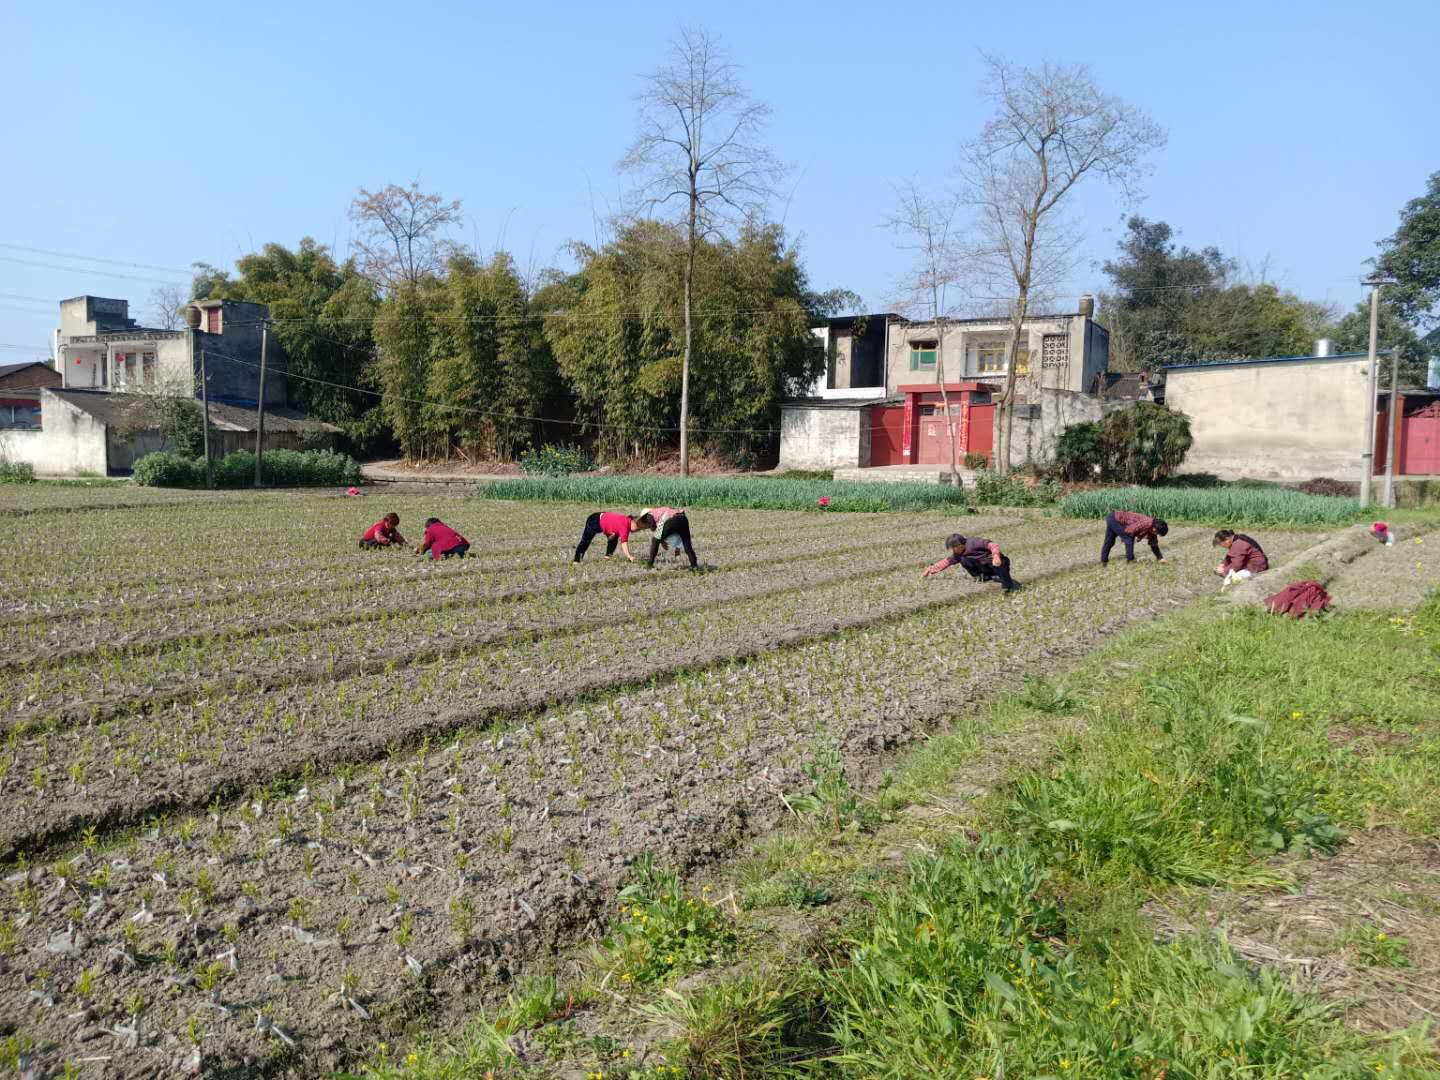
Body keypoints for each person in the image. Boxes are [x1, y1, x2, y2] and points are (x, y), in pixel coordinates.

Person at [921, 532, 1018, 592]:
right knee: (964, 560)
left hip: (997, 563)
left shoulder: (974, 542)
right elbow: (947, 561)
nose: (952, 550)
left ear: (959, 545)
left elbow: (992, 545)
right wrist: (931, 569)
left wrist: (996, 556)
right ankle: (982, 577)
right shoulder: (959, 554)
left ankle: (1009, 588)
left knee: (998, 566)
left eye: (953, 548)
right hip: (984, 567)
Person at [573, 510, 650, 563]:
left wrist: (610, 531)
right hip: (594, 520)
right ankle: (577, 560)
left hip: (602, 517)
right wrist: (629, 556)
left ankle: (608, 556)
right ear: (634, 522)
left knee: (614, 537)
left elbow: (614, 523)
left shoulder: (627, 520)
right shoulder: (625, 527)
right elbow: (624, 544)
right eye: (638, 528)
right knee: (586, 540)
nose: (638, 531)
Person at [1100, 510, 1169, 565]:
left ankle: (1104, 561)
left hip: (1113, 517)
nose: (1157, 535)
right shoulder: (1147, 523)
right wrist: (1124, 538)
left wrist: (1160, 558)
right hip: (1114, 518)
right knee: (1129, 538)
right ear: (1155, 529)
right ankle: (1130, 561)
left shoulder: (1153, 529)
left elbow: (1154, 545)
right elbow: (1130, 530)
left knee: (1110, 541)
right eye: (1158, 533)